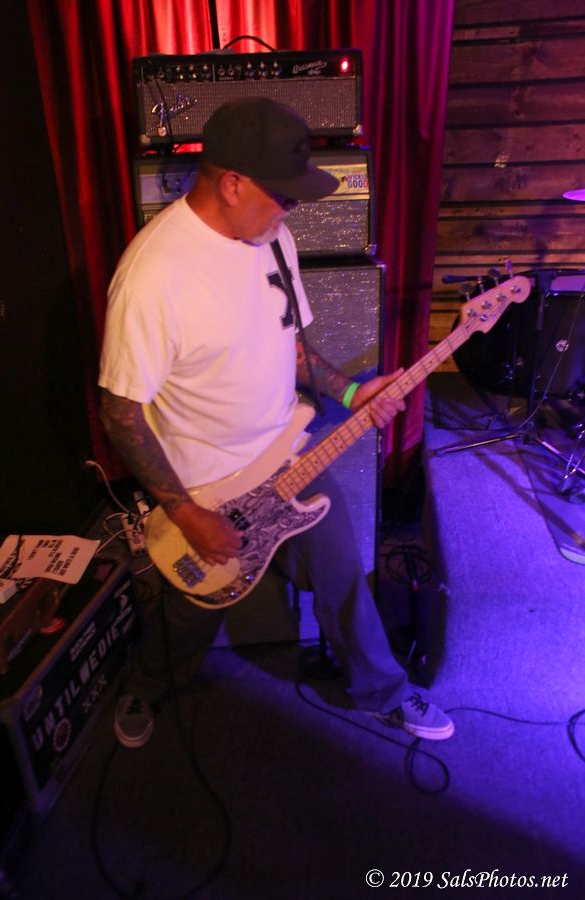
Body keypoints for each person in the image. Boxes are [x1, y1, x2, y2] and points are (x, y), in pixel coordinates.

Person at [98, 97, 454, 747]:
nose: (292, 210)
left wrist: (353, 391)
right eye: (282, 196)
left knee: (343, 574)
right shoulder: (151, 278)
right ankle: (145, 686)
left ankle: (383, 691)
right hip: (205, 485)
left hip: (286, 453)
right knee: (190, 610)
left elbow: (292, 348)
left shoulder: (273, 241)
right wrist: (185, 512)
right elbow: (120, 413)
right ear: (232, 184)